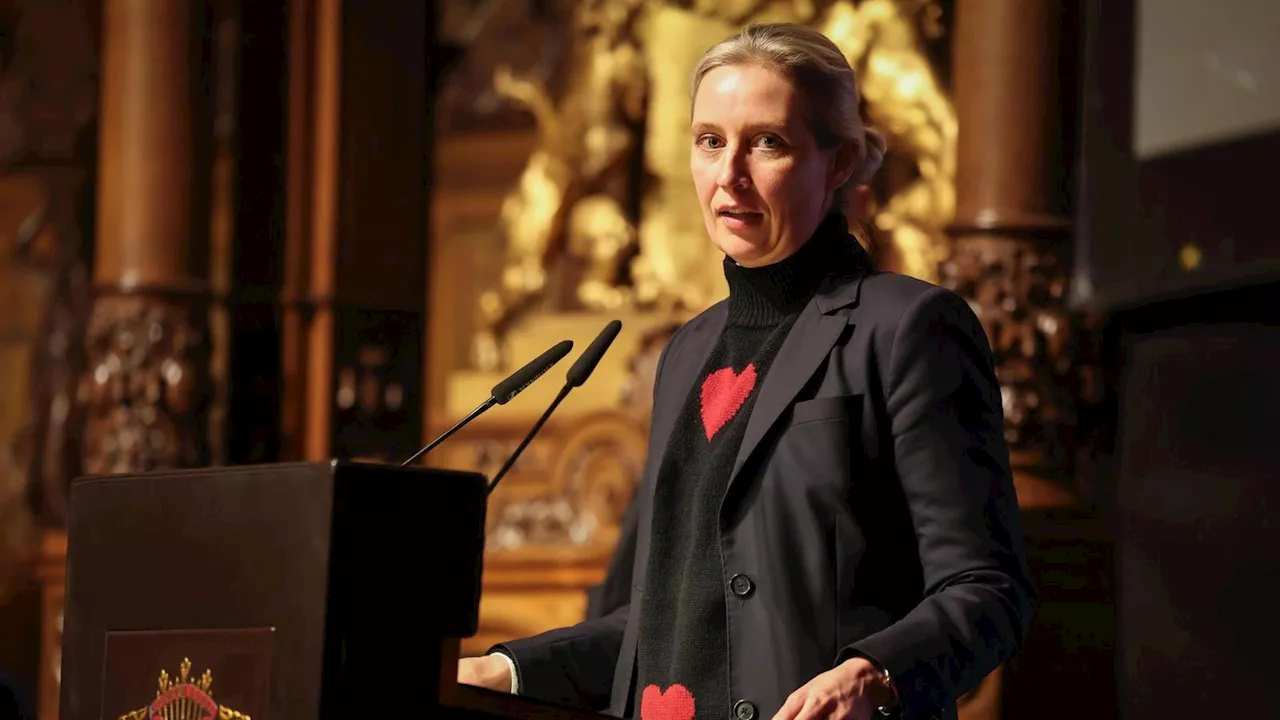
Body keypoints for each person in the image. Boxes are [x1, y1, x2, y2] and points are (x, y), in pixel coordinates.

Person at [458, 22, 1036, 720]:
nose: (729, 174)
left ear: (841, 159)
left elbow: (988, 591)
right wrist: (509, 668)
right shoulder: (686, 355)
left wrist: (873, 672)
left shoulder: (908, 329)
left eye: (768, 142)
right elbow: (659, 629)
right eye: (710, 141)